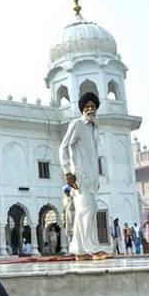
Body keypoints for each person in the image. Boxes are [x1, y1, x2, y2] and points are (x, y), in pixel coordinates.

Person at [59, 92, 109, 261]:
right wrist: (67, 171)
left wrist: (96, 178)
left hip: (90, 179)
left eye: (93, 107)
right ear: (82, 109)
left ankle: (80, 251)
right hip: (79, 177)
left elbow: (94, 157)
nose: (90, 109)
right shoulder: (77, 124)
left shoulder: (94, 128)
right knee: (88, 211)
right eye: (87, 107)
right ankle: (93, 249)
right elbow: (63, 147)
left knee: (84, 212)